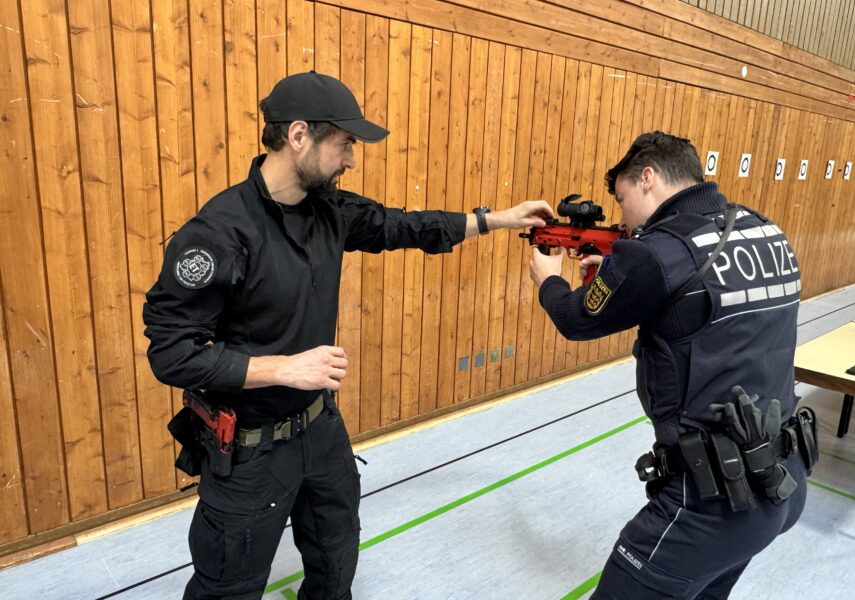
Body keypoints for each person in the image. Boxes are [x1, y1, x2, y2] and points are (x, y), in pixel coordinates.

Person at [143, 70, 552, 600]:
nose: (351, 160)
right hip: (248, 454)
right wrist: (282, 368)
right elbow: (170, 353)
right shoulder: (217, 233)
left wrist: (497, 219)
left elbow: (405, 226)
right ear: (298, 137)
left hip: (320, 430)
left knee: (336, 563)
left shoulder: (329, 210)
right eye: (344, 144)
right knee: (229, 587)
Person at [530, 131, 816, 599]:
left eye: (622, 199)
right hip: (780, 479)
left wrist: (548, 280)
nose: (622, 216)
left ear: (648, 178)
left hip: (708, 504)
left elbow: (575, 319)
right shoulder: (765, 229)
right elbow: (704, 312)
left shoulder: (651, 253)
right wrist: (617, 278)